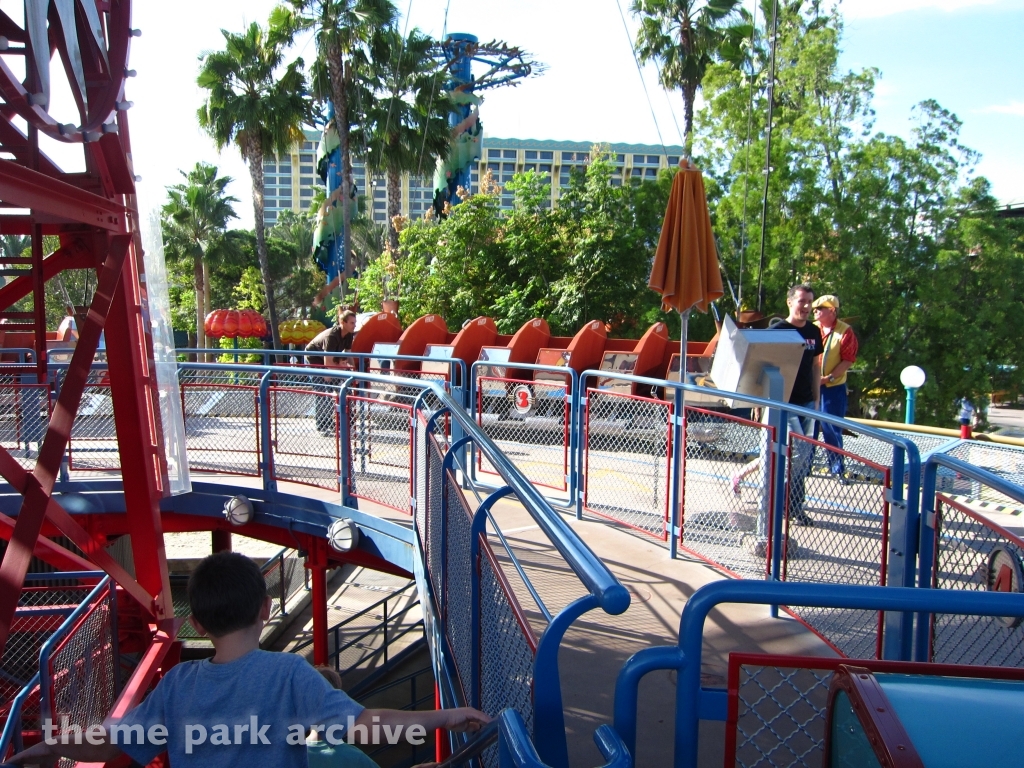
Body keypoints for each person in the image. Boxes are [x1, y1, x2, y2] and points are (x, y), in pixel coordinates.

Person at [8, 552, 488, 767]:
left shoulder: (177, 684)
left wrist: (55, 744)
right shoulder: (289, 674)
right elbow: (363, 726)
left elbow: (114, 743)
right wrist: (444, 716)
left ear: (195, 623)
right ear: (265, 608)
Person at [731, 285, 822, 527]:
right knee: (797, 452)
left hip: (807, 402)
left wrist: (817, 398)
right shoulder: (779, 330)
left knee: (803, 457)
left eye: (809, 302)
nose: (806, 306)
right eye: (802, 301)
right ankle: (778, 502)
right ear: (790, 302)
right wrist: (760, 402)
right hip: (784, 402)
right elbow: (762, 363)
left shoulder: (814, 331)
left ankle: (793, 505)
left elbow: (815, 366)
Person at [812, 294, 858, 480]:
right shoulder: (812, 329)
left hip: (833, 388)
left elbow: (848, 360)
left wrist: (829, 378)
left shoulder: (845, 331)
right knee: (809, 427)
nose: (815, 311)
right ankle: (805, 466)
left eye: (820, 308)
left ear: (832, 310)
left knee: (831, 427)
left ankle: (837, 469)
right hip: (811, 387)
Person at [306, 308, 359, 435]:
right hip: (314, 359)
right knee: (323, 391)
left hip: (329, 362)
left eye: (355, 323)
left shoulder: (349, 335)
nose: (354, 325)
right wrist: (328, 375)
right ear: (343, 322)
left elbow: (349, 354)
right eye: (352, 323)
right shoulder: (332, 336)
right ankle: (322, 426)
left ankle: (345, 424)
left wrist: (353, 372)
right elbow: (327, 360)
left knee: (342, 390)